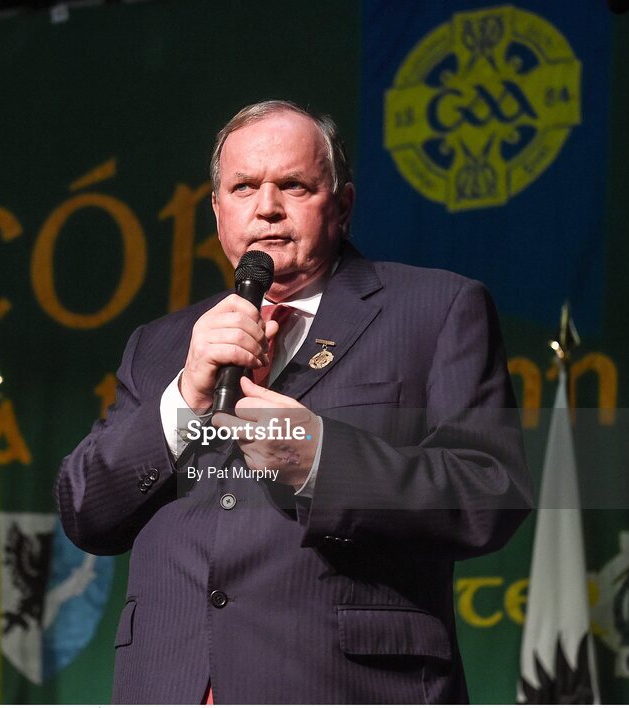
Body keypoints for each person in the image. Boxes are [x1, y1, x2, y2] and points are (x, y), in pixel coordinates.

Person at [57, 100, 532, 704]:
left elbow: (489, 493)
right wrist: (183, 399)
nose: (267, 207)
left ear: (343, 204)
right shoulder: (161, 346)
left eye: (294, 185)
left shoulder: (436, 310)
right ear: (217, 208)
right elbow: (85, 511)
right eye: (244, 186)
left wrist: (320, 462)